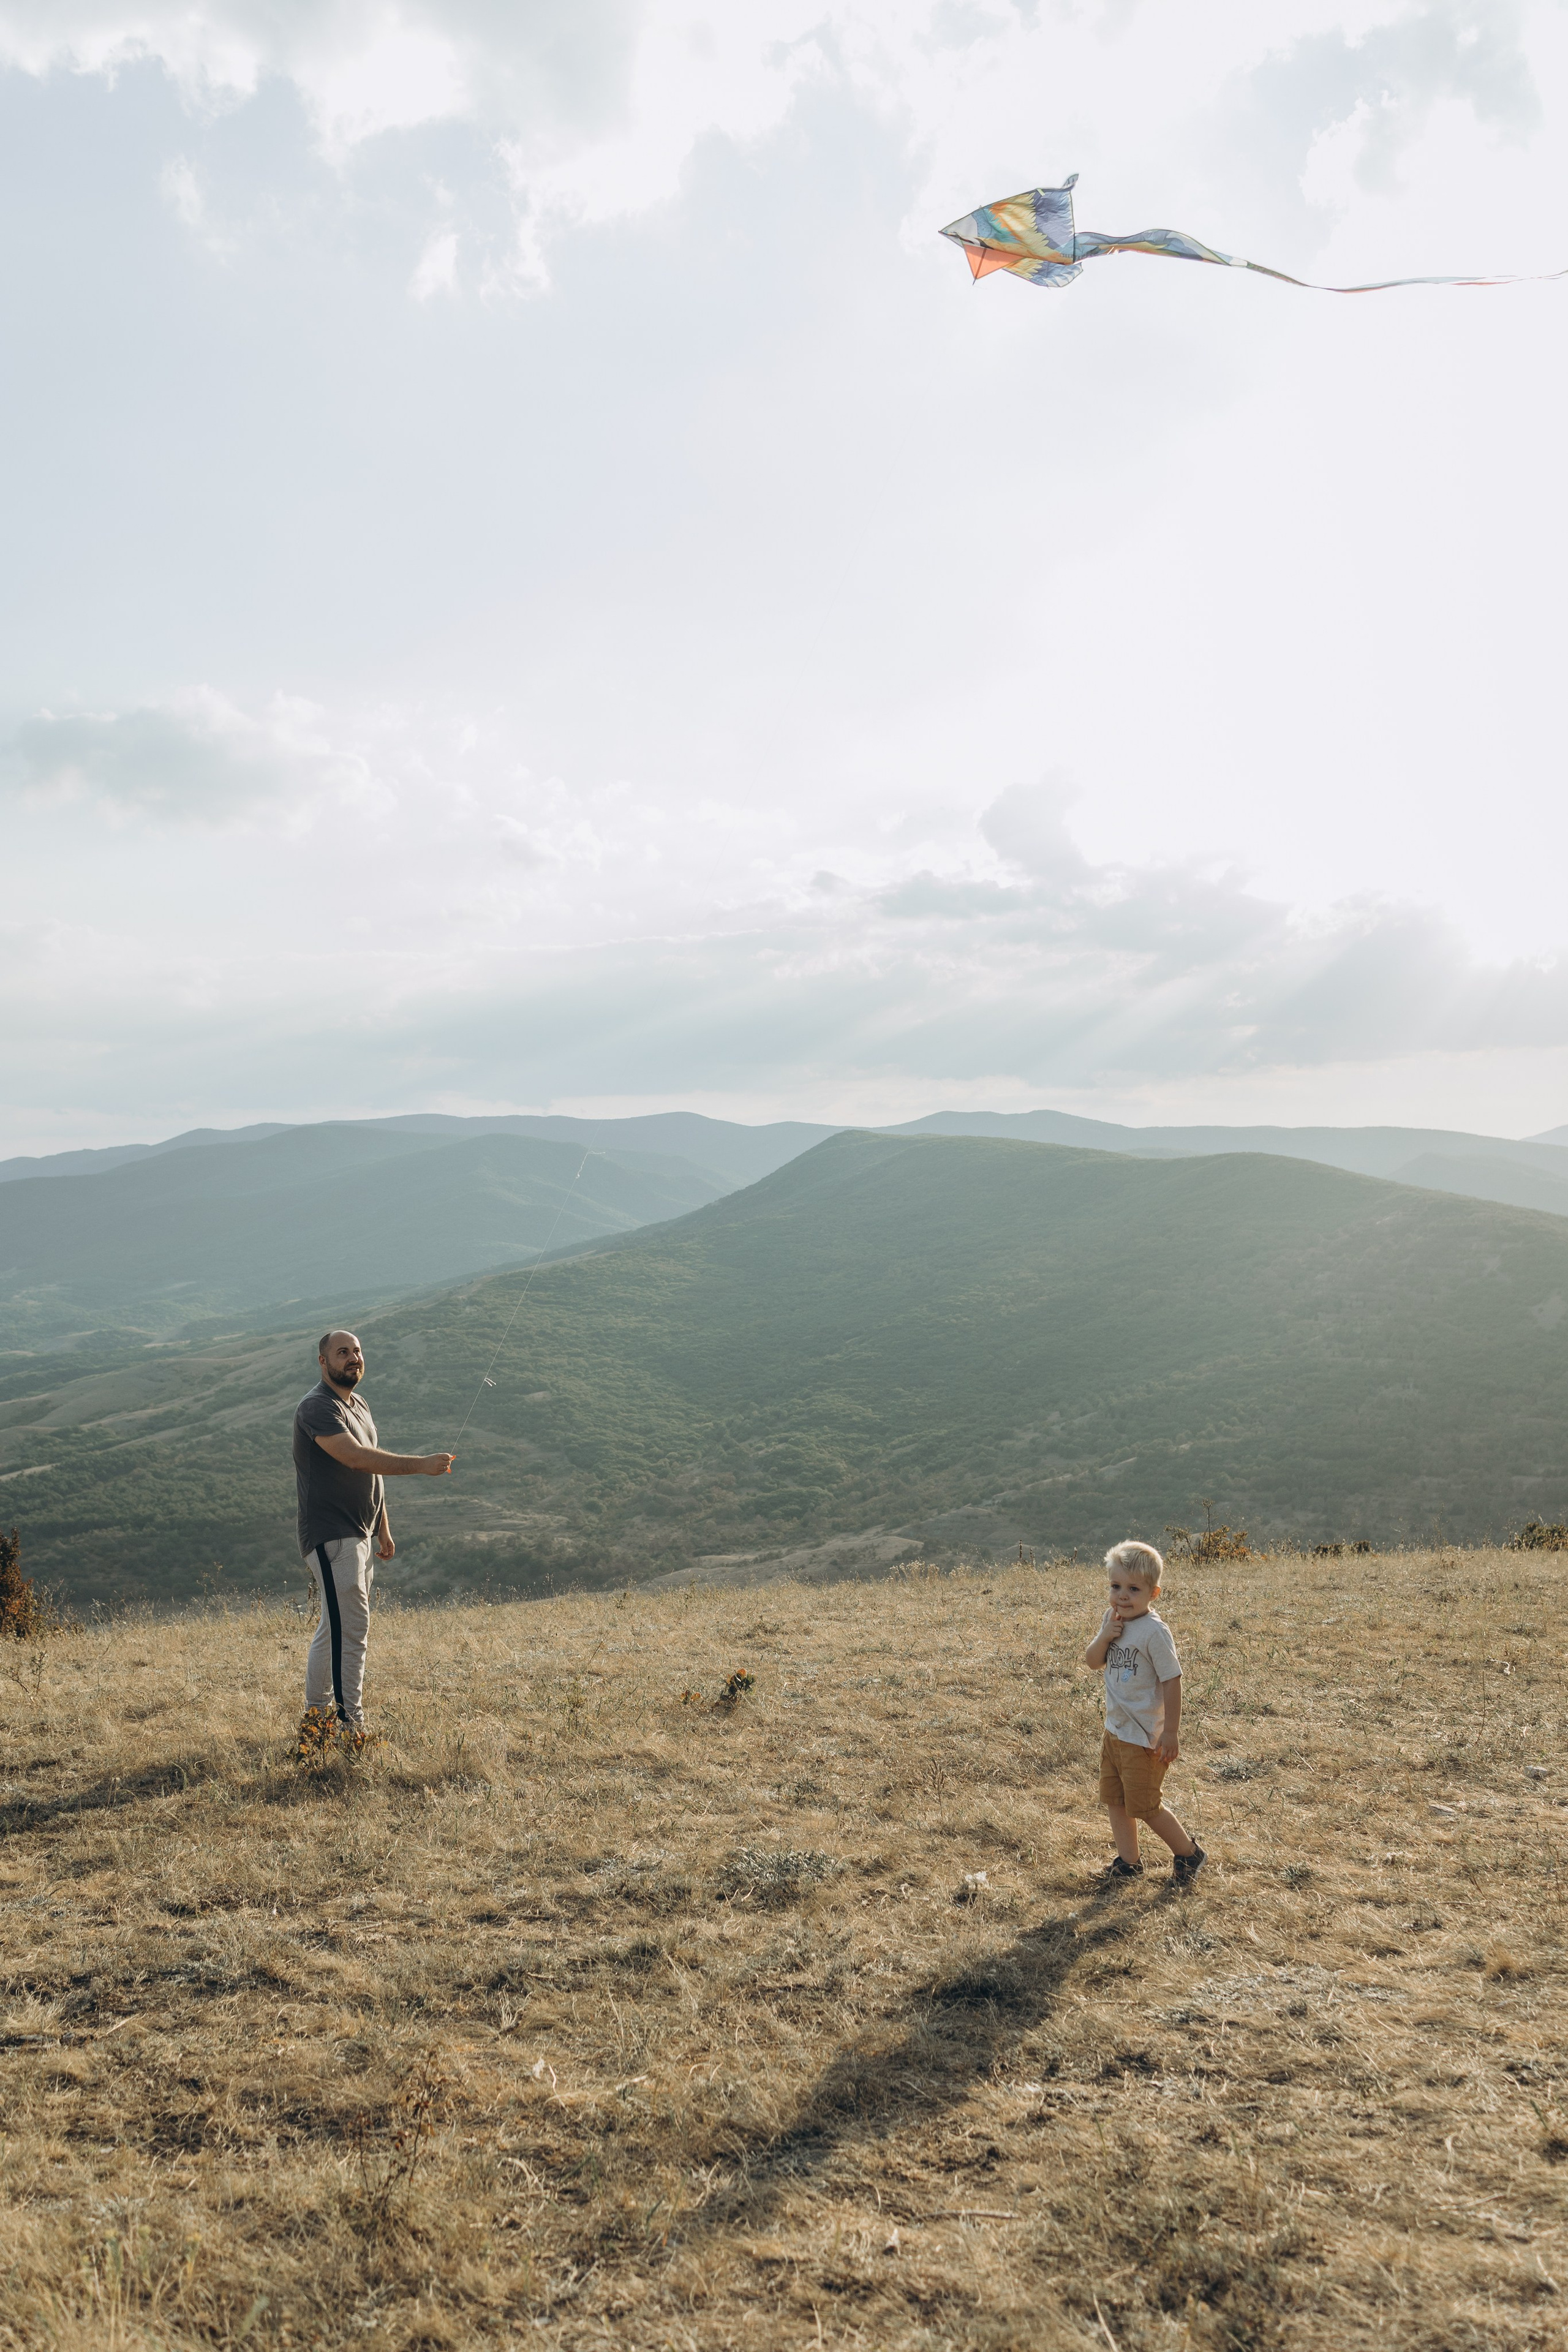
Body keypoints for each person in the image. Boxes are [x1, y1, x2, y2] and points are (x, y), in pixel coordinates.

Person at [292, 1329, 455, 1735]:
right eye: (342, 1352)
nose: (353, 1358)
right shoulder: (317, 1407)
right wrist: (420, 1465)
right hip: (332, 1536)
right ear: (323, 1362)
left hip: (360, 1535)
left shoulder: (359, 1404)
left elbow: (372, 1472)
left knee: (336, 1628)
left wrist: (383, 1527)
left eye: (358, 1351)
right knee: (353, 1629)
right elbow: (357, 1459)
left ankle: (318, 1722)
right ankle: (351, 1725)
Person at [1081, 1539, 1205, 1885]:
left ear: (1154, 1593)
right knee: (1116, 1800)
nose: (1122, 1595)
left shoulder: (1154, 1632)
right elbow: (1092, 1662)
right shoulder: (1113, 1619)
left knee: (1146, 1805)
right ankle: (1129, 1861)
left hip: (1145, 1737)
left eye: (1133, 1589)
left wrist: (1171, 1732)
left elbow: (1172, 1680)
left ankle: (1188, 1853)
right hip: (1116, 1731)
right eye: (1116, 1586)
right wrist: (1105, 1635)